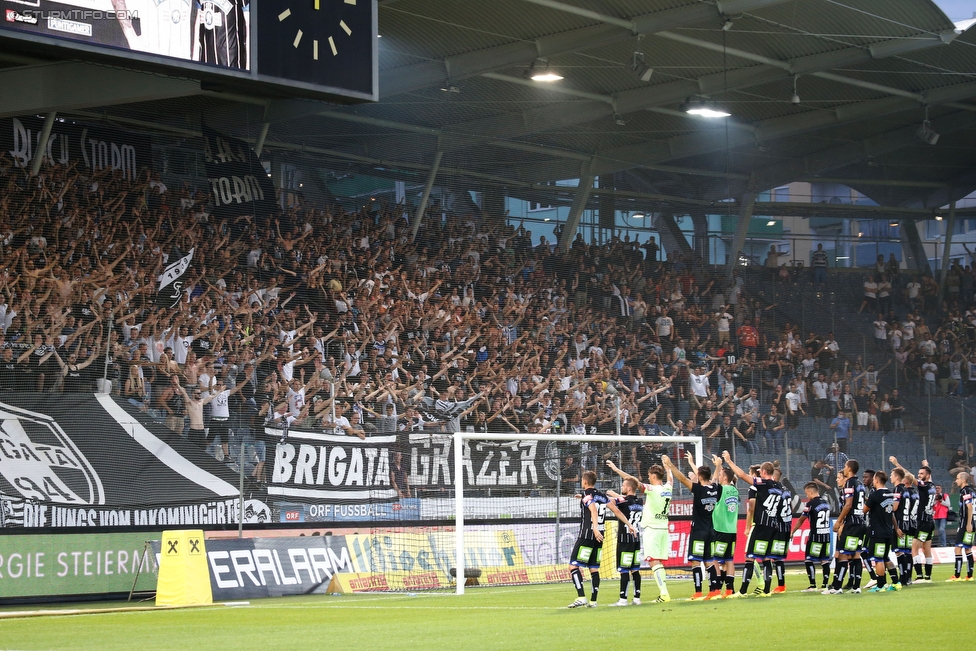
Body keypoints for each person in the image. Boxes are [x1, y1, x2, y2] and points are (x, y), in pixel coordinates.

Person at [606, 459, 673, 603]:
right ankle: (659, 593)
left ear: (653, 476)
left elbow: (634, 482)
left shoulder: (652, 490)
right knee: (655, 562)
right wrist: (668, 468)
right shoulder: (668, 488)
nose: (648, 478)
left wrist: (617, 470)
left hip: (652, 529)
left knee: (653, 562)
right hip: (663, 528)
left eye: (649, 475)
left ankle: (664, 593)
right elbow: (670, 479)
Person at [663, 452, 720, 600]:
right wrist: (719, 465)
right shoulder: (715, 489)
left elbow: (681, 478)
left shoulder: (699, 490)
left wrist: (670, 464)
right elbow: (713, 478)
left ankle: (698, 592)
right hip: (711, 530)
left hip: (698, 531)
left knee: (695, 560)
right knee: (709, 560)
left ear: (699, 477)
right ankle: (714, 590)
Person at [722, 451, 780, 597]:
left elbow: (741, 475)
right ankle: (766, 590)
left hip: (760, 524)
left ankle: (742, 591)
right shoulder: (779, 486)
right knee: (766, 558)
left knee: (749, 557)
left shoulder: (762, 483)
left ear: (764, 472)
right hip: (773, 524)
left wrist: (729, 461)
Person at [567, 470, 610, 608]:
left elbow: (593, 509)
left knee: (573, 565)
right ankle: (593, 601)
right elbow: (614, 509)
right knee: (593, 568)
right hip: (599, 537)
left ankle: (581, 597)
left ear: (584, 482)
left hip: (587, 535)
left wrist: (595, 527)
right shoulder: (601, 496)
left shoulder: (587, 494)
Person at [825, 459, 867, 594]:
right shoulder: (860, 484)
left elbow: (848, 505)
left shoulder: (849, 482)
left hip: (852, 524)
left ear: (849, 468)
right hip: (861, 522)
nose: (843, 468)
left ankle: (837, 587)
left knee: (843, 555)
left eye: (844, 466)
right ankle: (856, 587)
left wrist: (839, 521)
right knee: (855, 555)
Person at [604, 475, 642, 606]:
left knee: (624, 570)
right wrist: (616, 495)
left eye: (623, 486)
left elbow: (610, 502)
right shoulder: (640, 501)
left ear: (629, 488)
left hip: (625, 539)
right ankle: (637, 597)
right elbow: (623, 499)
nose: (622, 487)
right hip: (636, 540)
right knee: (635, 569)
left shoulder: (623, 501)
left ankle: (623, 599)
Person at [864, 471, 903, 592]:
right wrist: (896, 528)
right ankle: (896, 582)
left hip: (878, 532)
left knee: (878, 558)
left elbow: (864, 510)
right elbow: (890, 513)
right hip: (888, 531)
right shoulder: (890, 494)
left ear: (876, 480)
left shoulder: (875, 495)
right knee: (885, 558)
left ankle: (880, 585)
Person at [710, 454, 741, 598]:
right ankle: (730, 589)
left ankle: (716, 587)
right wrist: (720, 466)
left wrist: (717, 466)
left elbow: (713, 481)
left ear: (725, 478)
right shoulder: (735, 490)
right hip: (732, 530)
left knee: (714, 557)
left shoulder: (722, 490)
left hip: (720, 529)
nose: (719, 476)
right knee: (729, 559)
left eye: (722, 474)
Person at [792, 482, 832, 592]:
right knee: (824, 561)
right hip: (826, 536)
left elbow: (801, 520)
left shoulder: (810, 505)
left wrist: (793, 532)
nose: (806, 496)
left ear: (810, 492)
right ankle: (825, 584)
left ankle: (813, 585)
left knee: (809, 560)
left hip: (815, 537)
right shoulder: (826, 503)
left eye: (806, 493)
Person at [889, 468, 917, 586]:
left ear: (896, 477)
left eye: (891, 475)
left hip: (899, 524)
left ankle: (903, 578)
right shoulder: (906, 490)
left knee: (899, 552)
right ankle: (908, 576)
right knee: (906, 551)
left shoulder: (897, 489)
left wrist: (885, 506)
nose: (890, 477)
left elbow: (894, 507)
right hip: (907, 523)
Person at [947, 472, 975, 582]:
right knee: (968, 549)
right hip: (972, 522)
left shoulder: (965, 490)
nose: (956, 480)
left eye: (958, 478)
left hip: (966, 524)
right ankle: (969, 575)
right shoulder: (971, 490)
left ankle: (957, 576)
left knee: (957, 549)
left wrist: (968, 523)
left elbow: (969, 506)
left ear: (963, 480)